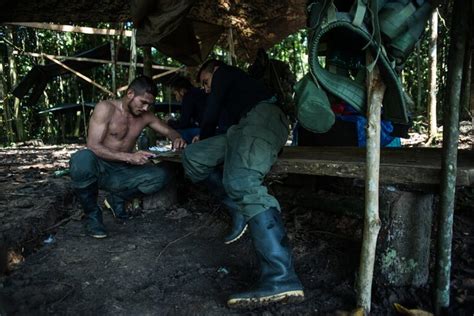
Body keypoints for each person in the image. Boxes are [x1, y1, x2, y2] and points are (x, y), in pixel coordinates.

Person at [182, 60, 304, 308]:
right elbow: (223, 120)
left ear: (214, 70)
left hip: (265, 118)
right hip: (242, 127)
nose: (206, 89)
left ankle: (281, 277)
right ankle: (236, 206)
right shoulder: (238, 91)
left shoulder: (225, 72)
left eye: (205, 82)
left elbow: (212, 111)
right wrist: (203, 140)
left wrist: (205, 131)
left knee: (241, 180)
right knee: (194, 157)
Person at [69, 76, 186, 239]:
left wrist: (176, 138)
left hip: (123, 171)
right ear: (130, 93)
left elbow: (168, 131)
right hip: (100, 166)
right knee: (81, 159)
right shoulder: (105, 108)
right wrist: (129, 157)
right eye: (143, 102)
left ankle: (116, 197)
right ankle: (93, 216)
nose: (146, 108)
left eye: (149, 104)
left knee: (161, 175)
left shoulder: (145, 116)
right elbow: (93, 146)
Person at [168, 76, 207, 144]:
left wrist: (169, 121)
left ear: (182, 90)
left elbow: (183, 124)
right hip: (210, 128)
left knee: (178, 132)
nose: (176, 98)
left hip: (206, 131)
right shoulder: (198, 92)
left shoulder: (188, 97)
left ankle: (182, 151)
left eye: (175, 94)